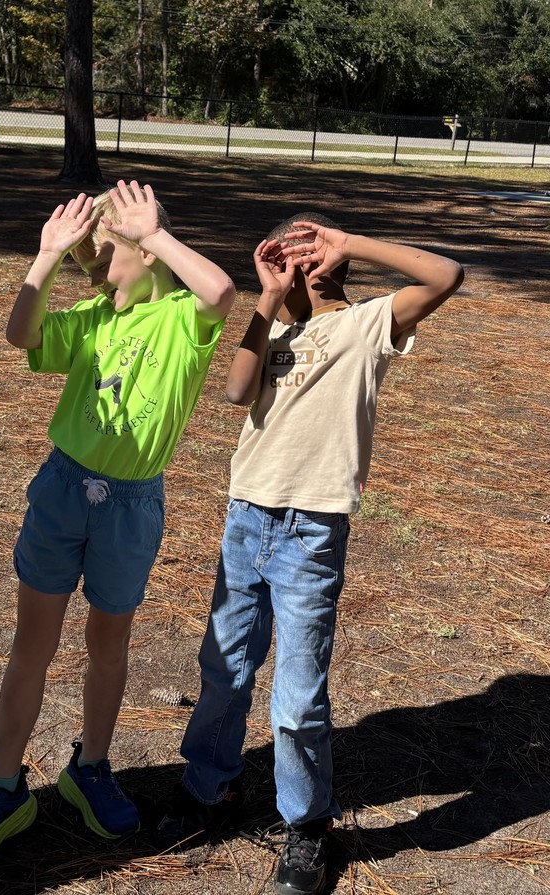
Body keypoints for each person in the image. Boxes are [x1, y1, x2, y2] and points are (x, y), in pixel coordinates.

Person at [158, 213, 464, 895]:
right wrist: (265, 298)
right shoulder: (275, 327)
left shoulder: (366, 326)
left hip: (311, 531)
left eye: (305, 254)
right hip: (247, 516)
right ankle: (210, 788)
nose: (292, 263)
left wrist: (351, 242)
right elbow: (238, 389)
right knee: (224, 667)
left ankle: (306, 828)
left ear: (328, 263)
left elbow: (447, 275)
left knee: (297, 696)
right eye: (281, 253)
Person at [0, 181, 236, 867]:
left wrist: (153, 233)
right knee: (31, 645)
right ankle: (3, 787)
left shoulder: (183, 319)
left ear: (147, 250)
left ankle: (90, 767)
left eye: (101, 252)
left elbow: (221, 293)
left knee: (109, 642)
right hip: (63, 489)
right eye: (81, 259)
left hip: (131, 504)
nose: (89, 266)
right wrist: (45, 258)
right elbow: (21, 332)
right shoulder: (89, 320)